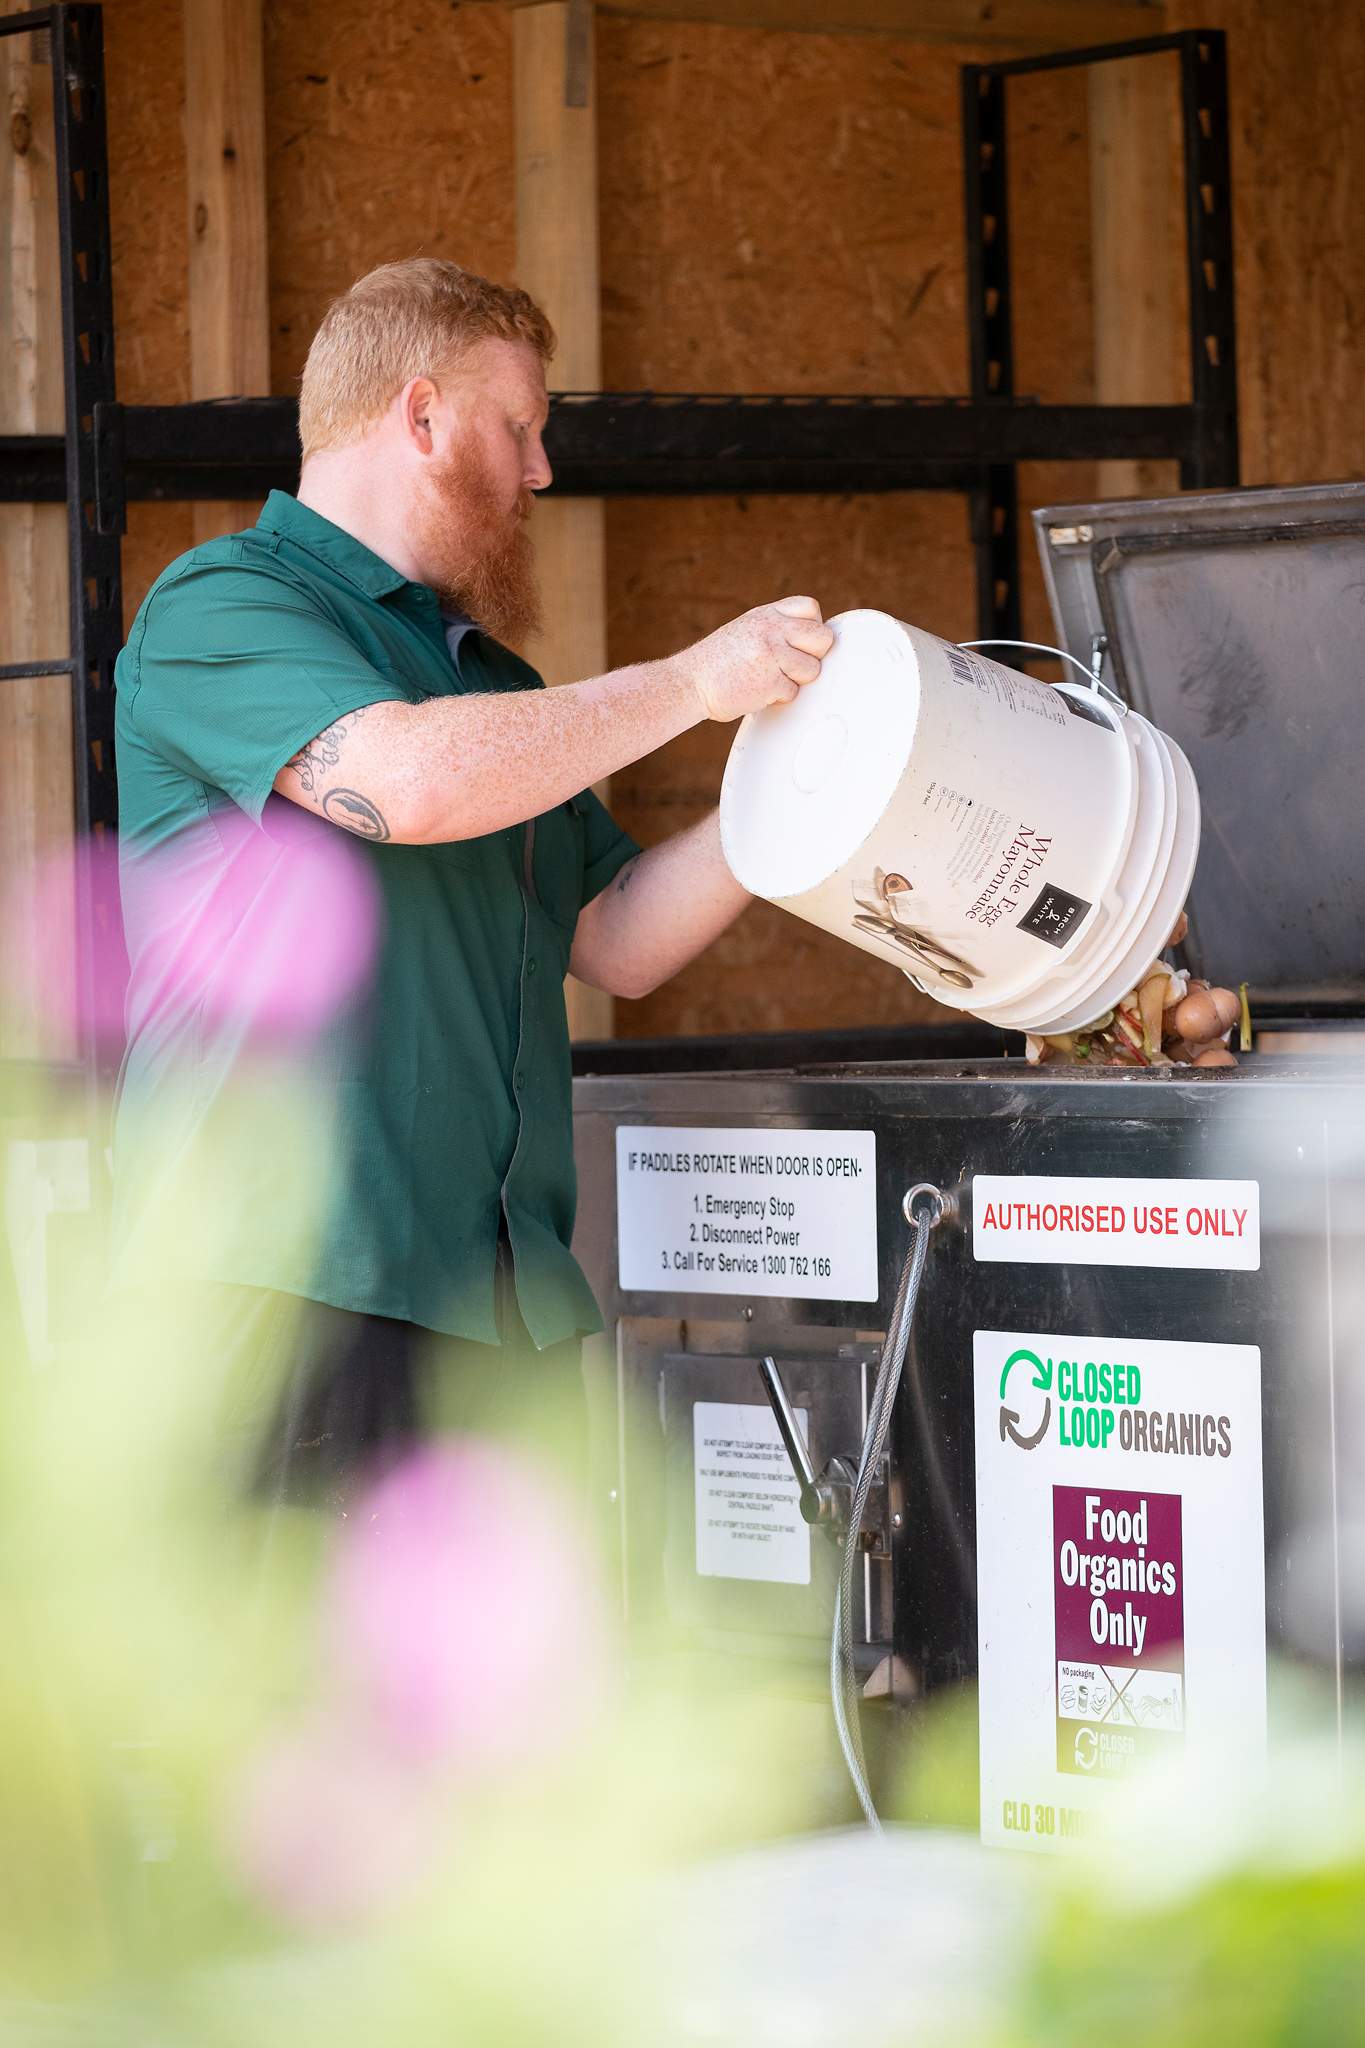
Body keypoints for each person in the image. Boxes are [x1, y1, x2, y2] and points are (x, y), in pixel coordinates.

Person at [111, 257, 834, 1506]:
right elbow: (400, 783)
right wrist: (689, 684)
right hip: (283, 1297)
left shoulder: (488, 681)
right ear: (423, 414)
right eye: (523, 429)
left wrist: (809, 791)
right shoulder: (224, 602)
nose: (541, 473)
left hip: (492, 1319)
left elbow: (616, 937)